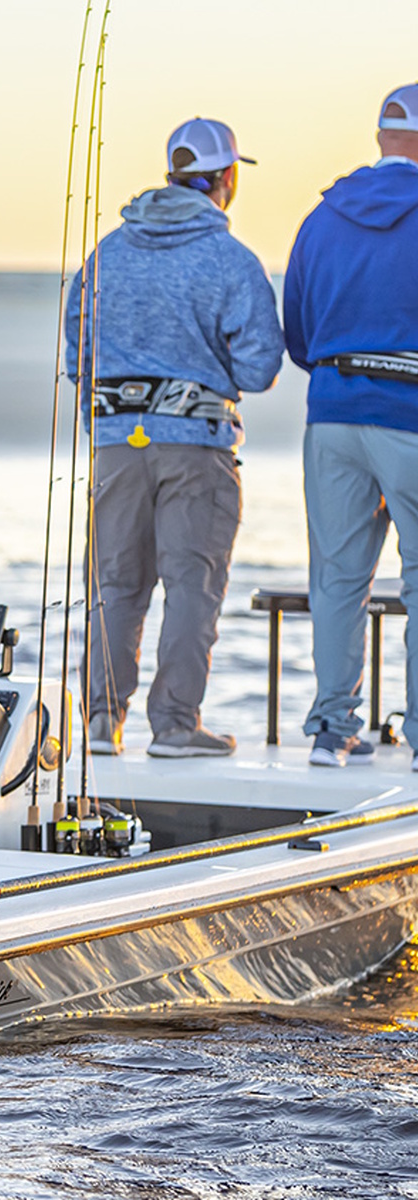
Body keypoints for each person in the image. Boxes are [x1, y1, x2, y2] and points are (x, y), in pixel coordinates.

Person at [67, 117, 284, 759]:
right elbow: (260, 368)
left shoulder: (108, 252)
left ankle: (101, 723)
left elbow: (77, 347)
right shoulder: (230, 259)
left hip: (115, 441)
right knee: (192, 585)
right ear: (227, 178)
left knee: (114, 585)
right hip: (197, 443)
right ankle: (175, 726)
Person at [283, 83, 418, 769]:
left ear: (381, 137)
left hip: (333, 411)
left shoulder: (323, 216)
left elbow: (297, 332)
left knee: (338, 580)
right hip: (411, 415)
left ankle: (333, 731)